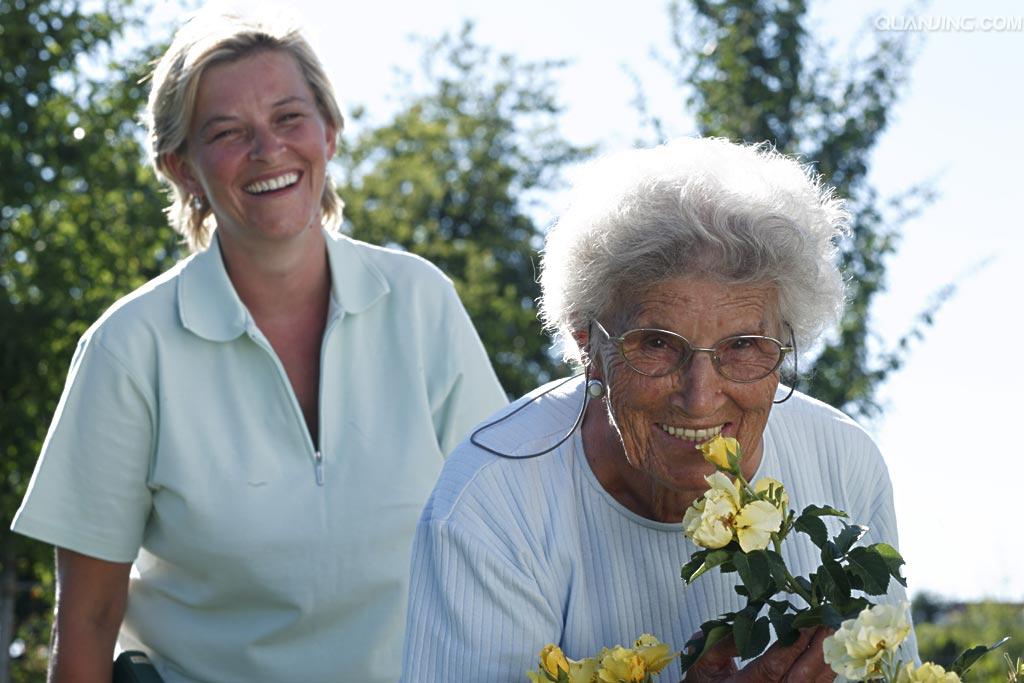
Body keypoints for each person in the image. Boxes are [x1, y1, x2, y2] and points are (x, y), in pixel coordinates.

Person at [11, 7, 506, 682]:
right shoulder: (129, 349)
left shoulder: (420, 302)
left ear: (329, 132)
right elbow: (91, 618)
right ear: (181, 168)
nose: (267, 149)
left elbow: (498, 537)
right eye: (227, 132)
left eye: (288, 118)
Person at [400, 137, 916, 681]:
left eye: (742, 346)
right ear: (588, 348)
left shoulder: (844, 461)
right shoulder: (492, 500)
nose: (700, 396)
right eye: (656, 344)